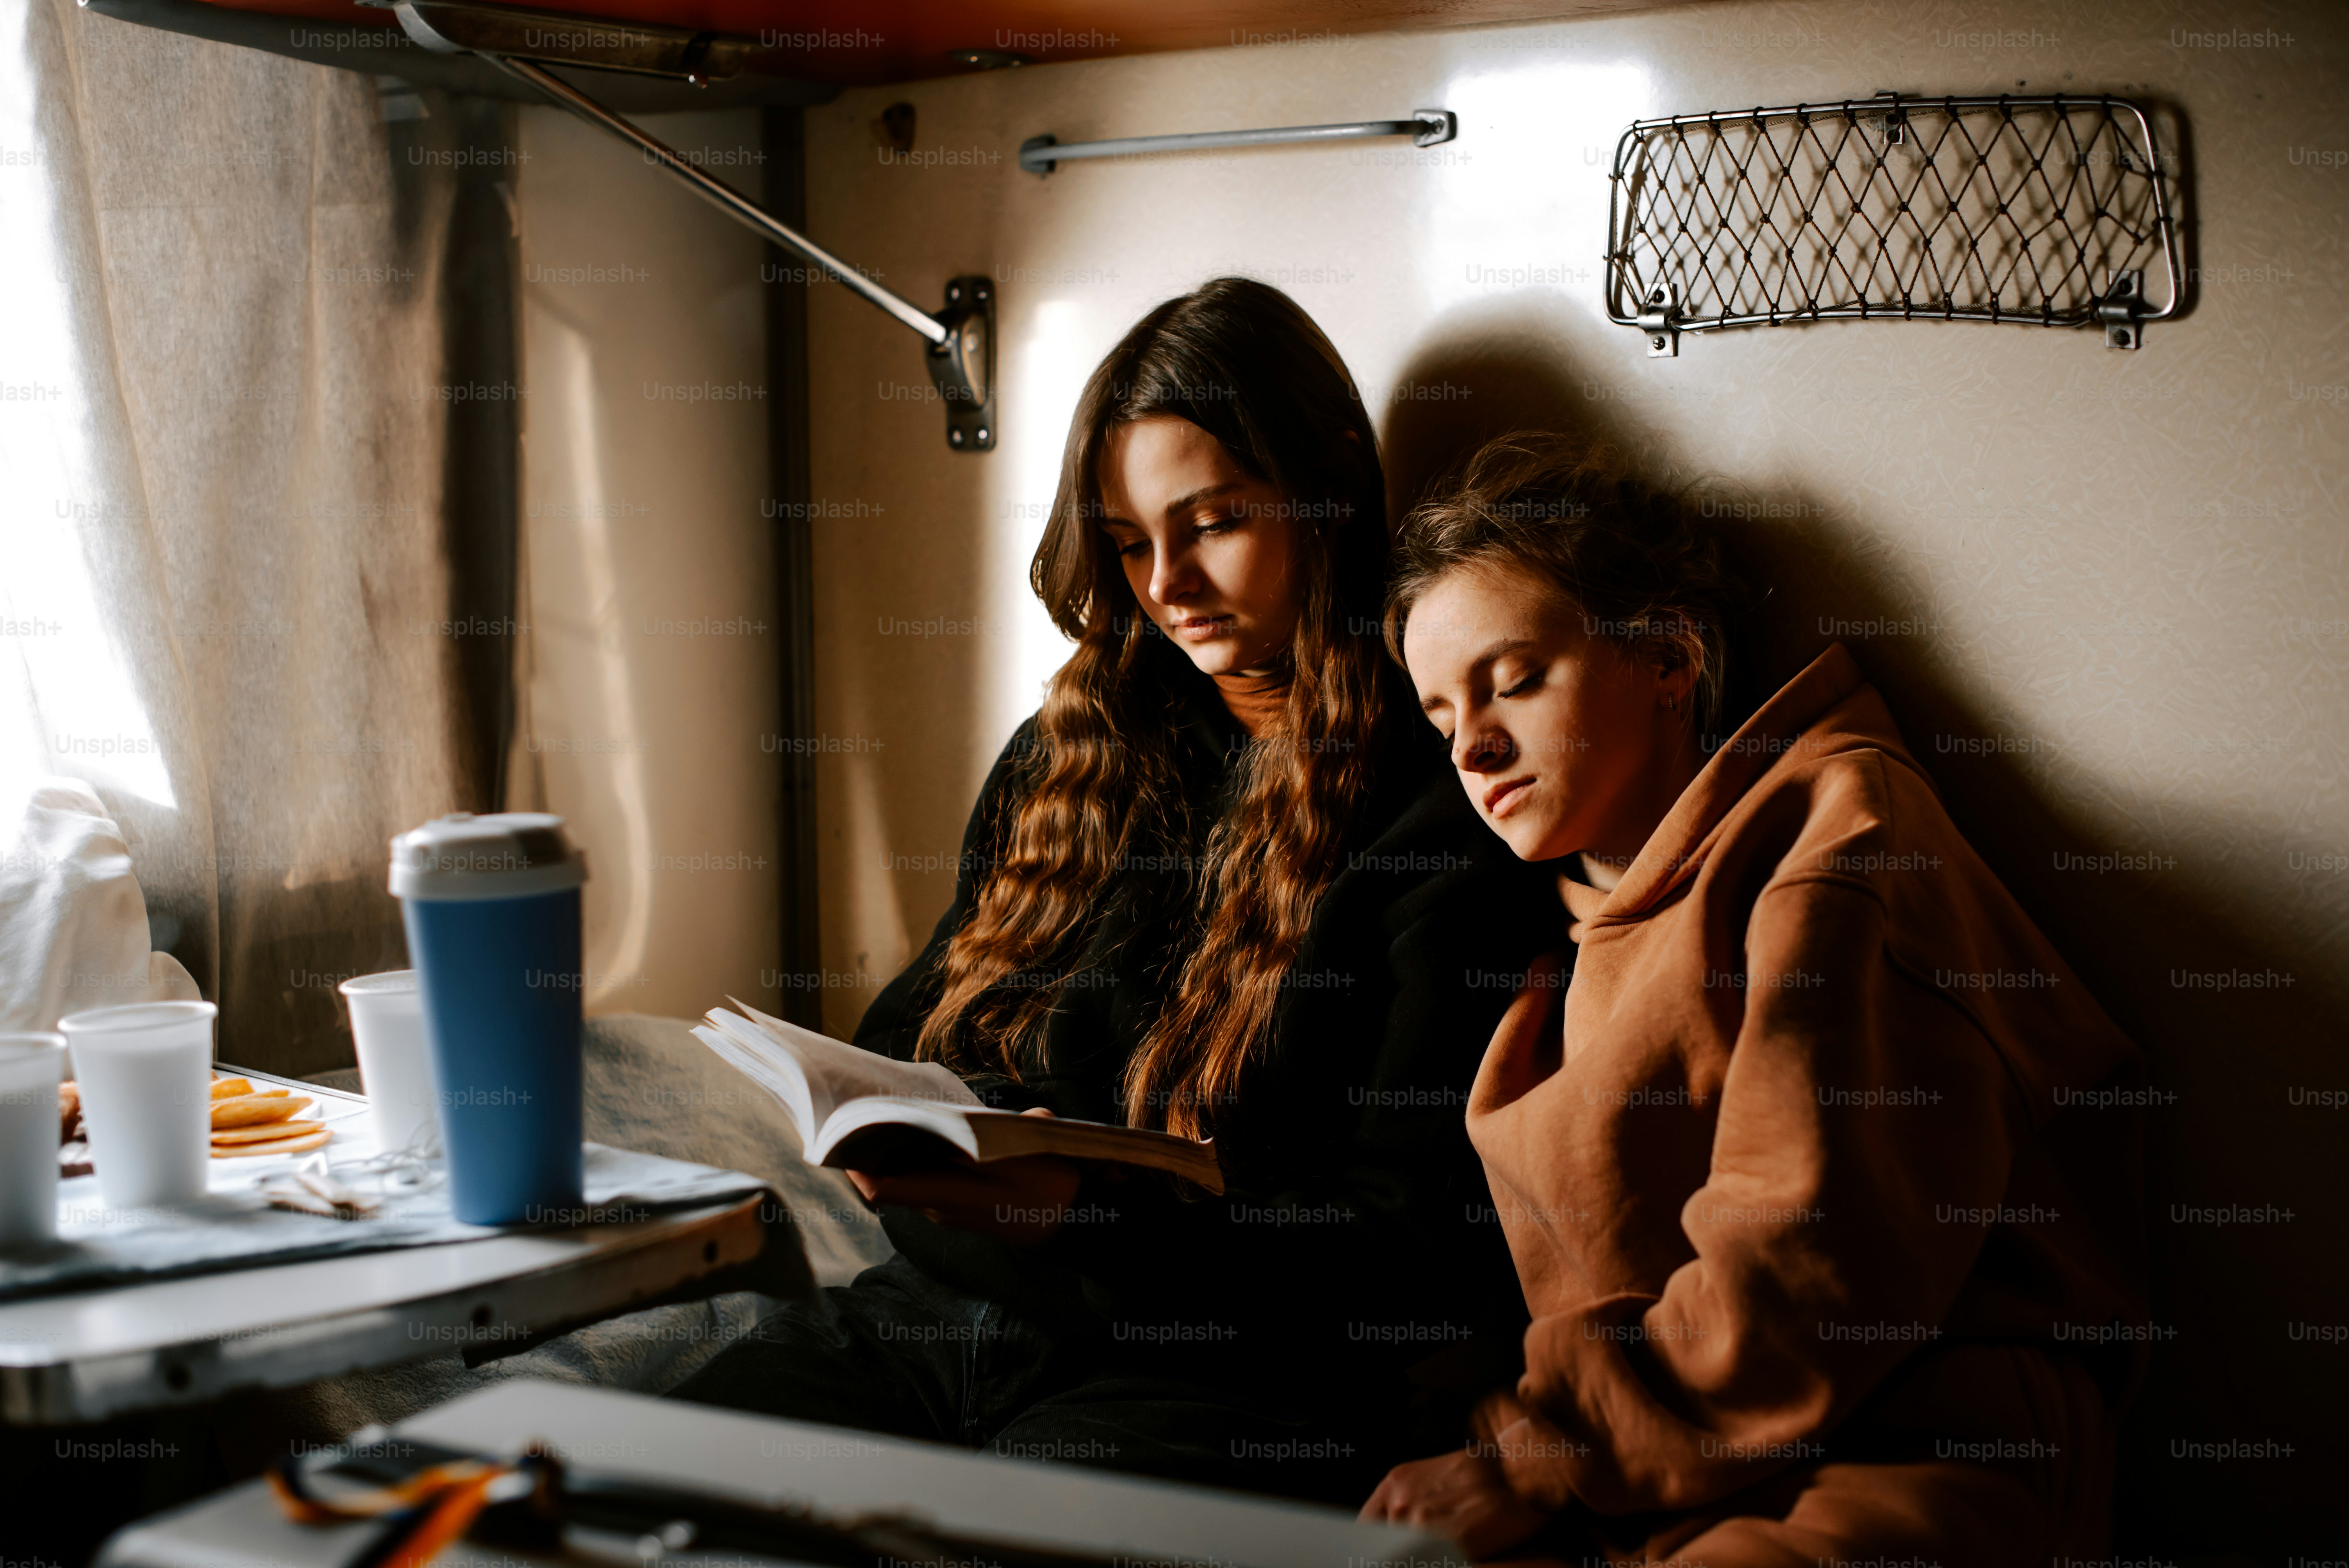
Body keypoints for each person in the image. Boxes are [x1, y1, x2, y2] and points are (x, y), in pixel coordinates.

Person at [671, 281, 1557, 1504]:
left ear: (1330, 493)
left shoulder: (1441, 809)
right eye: (1133, 542)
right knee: (623, 1487)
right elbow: (909, 1038)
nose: (1169, 583)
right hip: (939, 1318)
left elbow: (1405, 1259)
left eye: (1216, 522)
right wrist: (962, 1157)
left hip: (1223, 1381)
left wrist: (1078, 1217)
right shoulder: (1075, 753)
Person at [1360, 433, 2147, 1562]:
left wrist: (1534, 1458)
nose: (1474, 750)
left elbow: (1813, 1267)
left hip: (1909, 1454)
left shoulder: (1834, 838)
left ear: (1668, 658)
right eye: (1442, 720)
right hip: (1652, 1483)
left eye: (1517, 681)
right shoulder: (1556, 947)